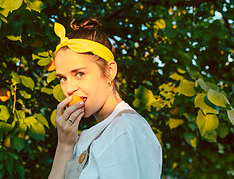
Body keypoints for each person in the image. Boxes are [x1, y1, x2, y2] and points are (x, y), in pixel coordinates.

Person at [48, 19, 162, 179]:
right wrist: (64, 146)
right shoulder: (94, 135)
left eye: (79, 74)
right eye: (62, 78)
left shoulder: (124, 131)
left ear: (109, 72)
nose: (68, 89)